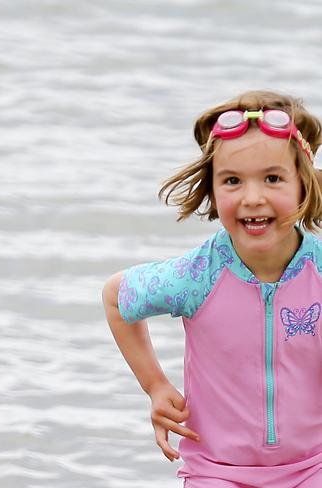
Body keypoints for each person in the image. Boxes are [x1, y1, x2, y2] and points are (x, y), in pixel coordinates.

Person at [102, 90, 322, 488]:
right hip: (215, 472)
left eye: (273, 178)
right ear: (213, 190)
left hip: (313, 468)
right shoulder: (198, 275)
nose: (252, 198)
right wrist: (155, 385)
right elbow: (116, 298)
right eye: (232, 181)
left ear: (304, 184)